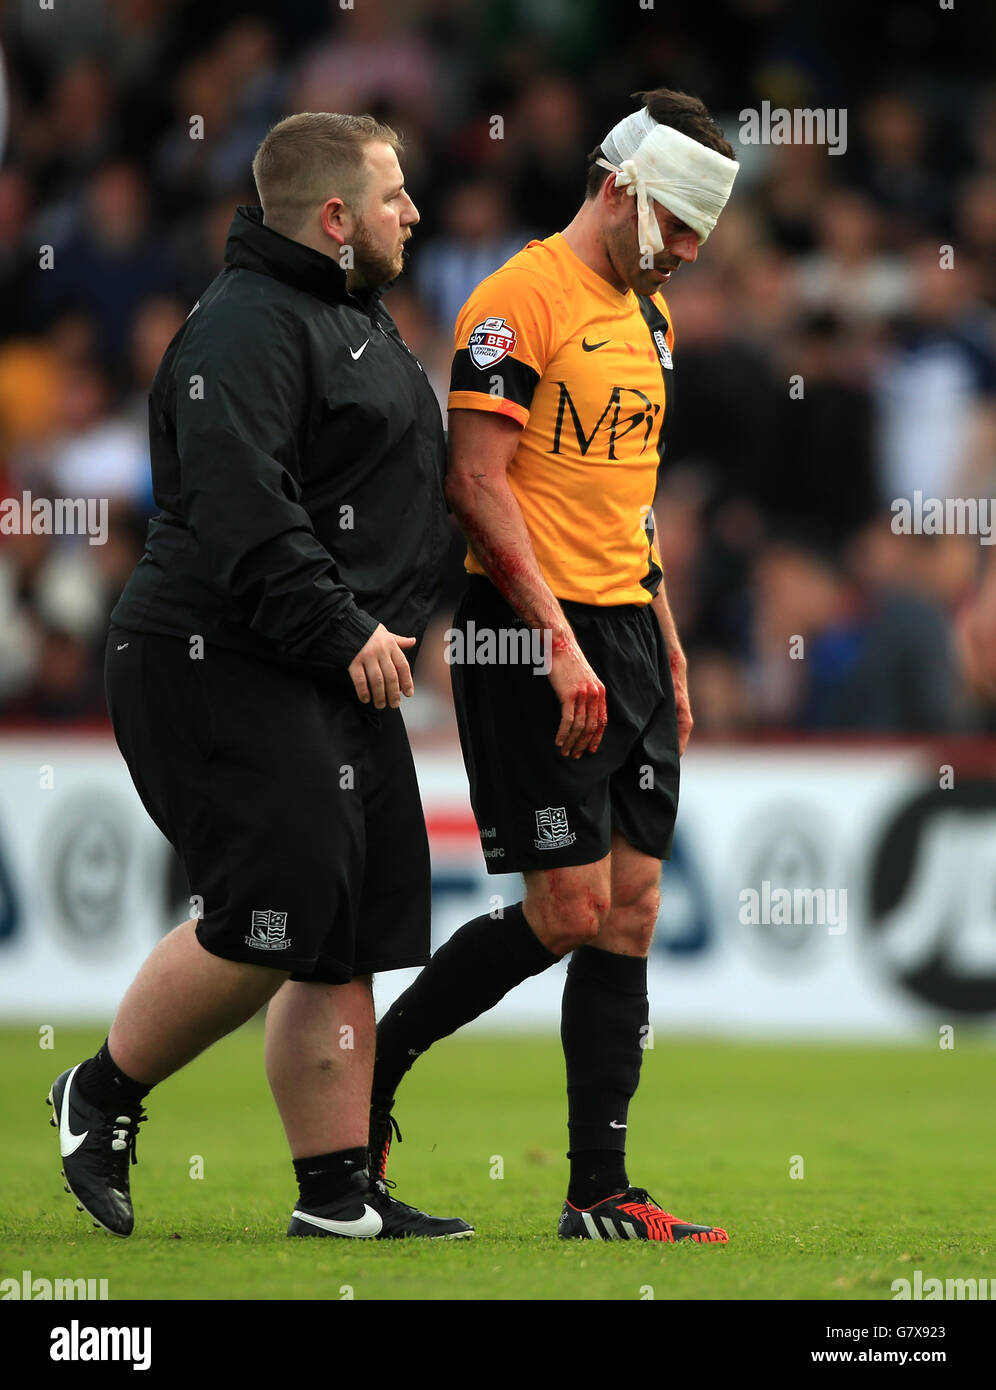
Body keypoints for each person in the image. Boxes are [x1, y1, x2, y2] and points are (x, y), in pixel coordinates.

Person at [47, 112, 472, 1241]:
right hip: (221, 656)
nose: (413, 215)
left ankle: (337, 1194)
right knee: (273, 913)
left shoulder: (349, 314)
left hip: (330, 664)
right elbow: (244, 509)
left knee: (341, 932)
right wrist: (342, 627)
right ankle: (99, 1092)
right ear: (335, 218)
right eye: (393, 197)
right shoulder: (244, 327)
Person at [370, 89, 738, 1243]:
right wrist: (565, 643)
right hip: (531, 633)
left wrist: (663, 629)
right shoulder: (517, 299)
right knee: (569, 906)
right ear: (619, 185)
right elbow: (475, 486)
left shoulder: (651, 317)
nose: (684, 253)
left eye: (699, 238)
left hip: (626, 627)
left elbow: (627, 495)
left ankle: (598, 1192)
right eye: (676, 224)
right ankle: (378, 1063)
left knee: (630, 909)